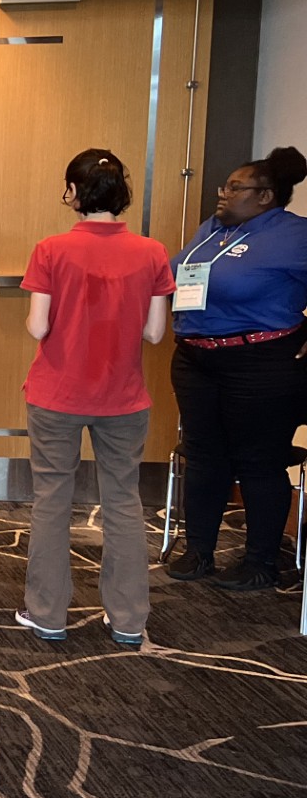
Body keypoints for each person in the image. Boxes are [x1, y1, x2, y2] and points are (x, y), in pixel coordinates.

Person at [16, 149, 173, 647]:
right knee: (124, 501)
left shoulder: (51, 249)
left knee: (52, 499)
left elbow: (38, 325)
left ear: (74, 192)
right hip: (123, 397)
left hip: (56, 394)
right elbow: (153, 334)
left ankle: (47, 613)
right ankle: (128, 620)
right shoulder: (152, 252)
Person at [167, 145, 307, 595]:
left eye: (233, 187)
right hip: (196, 358)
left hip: (260, 363)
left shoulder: (294, 235)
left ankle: (260, 562)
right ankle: (198, 550)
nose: (222, 193)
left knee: (258, 462)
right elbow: (180, 275)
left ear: (265, 196)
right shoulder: (214, 229)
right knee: (205, 457)